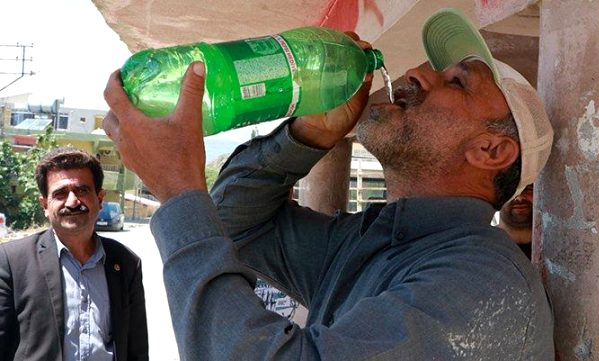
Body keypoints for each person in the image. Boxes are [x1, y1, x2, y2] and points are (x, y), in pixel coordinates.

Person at [103, 8, 554, 360]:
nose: (417, 74)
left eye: (456, 82)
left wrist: (181, 188)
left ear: (491, 151)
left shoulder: (481, 278)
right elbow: (236, 225)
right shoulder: (370, 240)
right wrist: (305, 137)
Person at [0, 147, 149, 361]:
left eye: (82, 191)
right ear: (44, 204)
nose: (72, 202)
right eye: (60, 194)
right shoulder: (12, 262)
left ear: (100, 199)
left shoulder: (125, 262)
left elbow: (136, 348)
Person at [495, 184, 534, 259]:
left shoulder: (558, 244)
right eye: (510, 191)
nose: (519, 198)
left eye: (528, 190)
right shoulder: (482, 247)